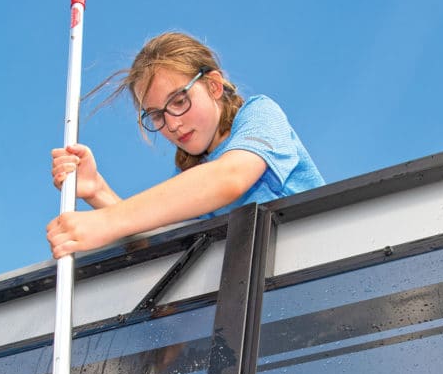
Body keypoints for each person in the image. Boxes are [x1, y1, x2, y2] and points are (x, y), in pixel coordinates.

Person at [47, 32, 324, 259]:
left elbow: (230, 177)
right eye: (157, 115)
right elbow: (159, 245)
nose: (173, 124)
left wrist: (107, 222)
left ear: (214, 86)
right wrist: (98, 190)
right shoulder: (191, 181)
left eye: (179, 101)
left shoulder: (260, 115)